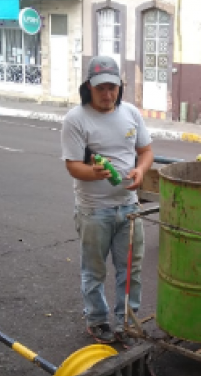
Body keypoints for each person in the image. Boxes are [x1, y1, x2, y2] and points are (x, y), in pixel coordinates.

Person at [61, 56, 154, 347]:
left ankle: (127, 322)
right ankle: (97, 320)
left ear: (119, 87)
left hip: (128, 208)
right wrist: (94, 172)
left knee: (131, 270)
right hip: (93, 210)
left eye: (112, 87)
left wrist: (140, 170)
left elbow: (146, 151)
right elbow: (73, 165)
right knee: (94, 269)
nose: (107, 94)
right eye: (101, 88)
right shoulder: (76, 119)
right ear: (89, 87)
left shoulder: (131, 114)